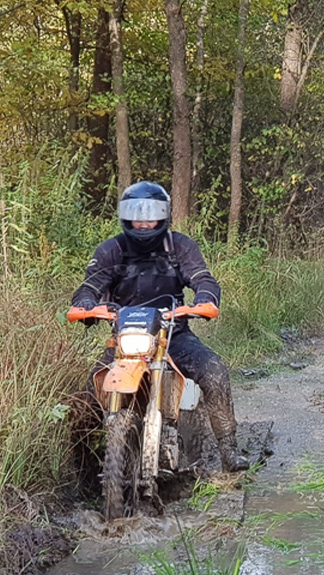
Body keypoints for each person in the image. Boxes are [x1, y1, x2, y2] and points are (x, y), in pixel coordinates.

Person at [69, 181, 249, 472]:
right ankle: (87, 471)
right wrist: (86, 306)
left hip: (173, 336)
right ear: (125, 216)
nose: (142, 222)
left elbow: (204, 279)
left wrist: (204, 299)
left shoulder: (180, 246)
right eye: (136, 214)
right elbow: (89, 286)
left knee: (215, 371)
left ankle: (229, 450)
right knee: (83, 402)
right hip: (126, 342)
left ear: (163, 215)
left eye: (150, 214)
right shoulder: (111, 250)